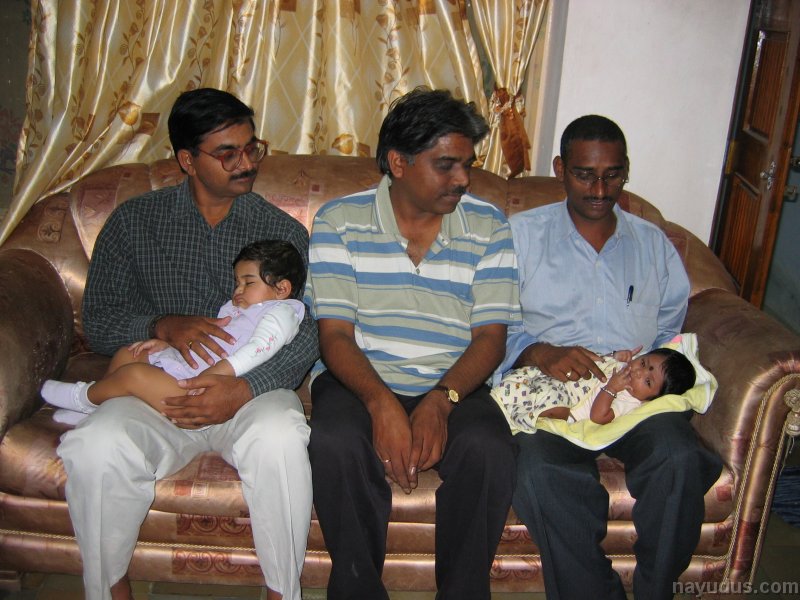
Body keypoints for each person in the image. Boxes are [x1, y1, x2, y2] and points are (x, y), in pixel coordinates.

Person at [56, 88, 318, 600]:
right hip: (158, 391)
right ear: (187, 160)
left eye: (252, 148)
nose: (247, 164)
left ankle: (282, 592)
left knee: (283, 437)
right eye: (228, 153)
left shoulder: (281, 232)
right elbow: (99, 318)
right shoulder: (134, 223)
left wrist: (244, 389)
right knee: (95, 445)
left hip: (250, 394)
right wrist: (160, 324)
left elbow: (307, 329)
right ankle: (109, 590)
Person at [305, 88, 520, 600]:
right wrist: (380, 403)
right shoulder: (339, 221)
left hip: (454, 380)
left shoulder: (488, 225)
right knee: (335, 442)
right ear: (398, 163)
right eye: (446, 165)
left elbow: (490, 338)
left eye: (467, 165)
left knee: (490, 448)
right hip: (359, 378)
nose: (463, 179)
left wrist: (441, 402)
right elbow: (335, 335)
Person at [503, 114, 722, 600]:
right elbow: (490, 324)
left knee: (680, 457)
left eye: (613, 175)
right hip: (555, 393)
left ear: (626, 171)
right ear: (560, 169)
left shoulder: (652, 244)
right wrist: (538, 351)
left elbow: (668, 331)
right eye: (585, 175)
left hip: (633, 396)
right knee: (538, 472)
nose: (600, 190)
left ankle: (655, 590)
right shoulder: (520, 237)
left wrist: (646, 378)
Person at [41, 239, 306, 427]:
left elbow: (258, 349)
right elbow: (213, 342)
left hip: (203, 396)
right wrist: (168, 347)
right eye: (236, 282)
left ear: (281, 288)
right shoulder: (240, 309)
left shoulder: (282, 312)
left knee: (133, 375)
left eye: (248, 282)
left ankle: (84, 397)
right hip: (189, 373)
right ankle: (99, 411)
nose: (238, 290)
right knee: (129, 354)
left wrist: (214, 375)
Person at [493, 347, 696, 430]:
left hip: (569, 405)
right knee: (529, 381)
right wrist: (614, 356)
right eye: (643, 363)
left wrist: (612, 388)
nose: (639, 373)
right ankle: (512, 399)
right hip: (563, 381)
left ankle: (532, 419)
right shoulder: (624, 367)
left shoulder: (629, 401)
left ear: (651, 398)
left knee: (556, 405)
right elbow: (598, 361)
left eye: (648, 382)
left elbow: (599, 416)